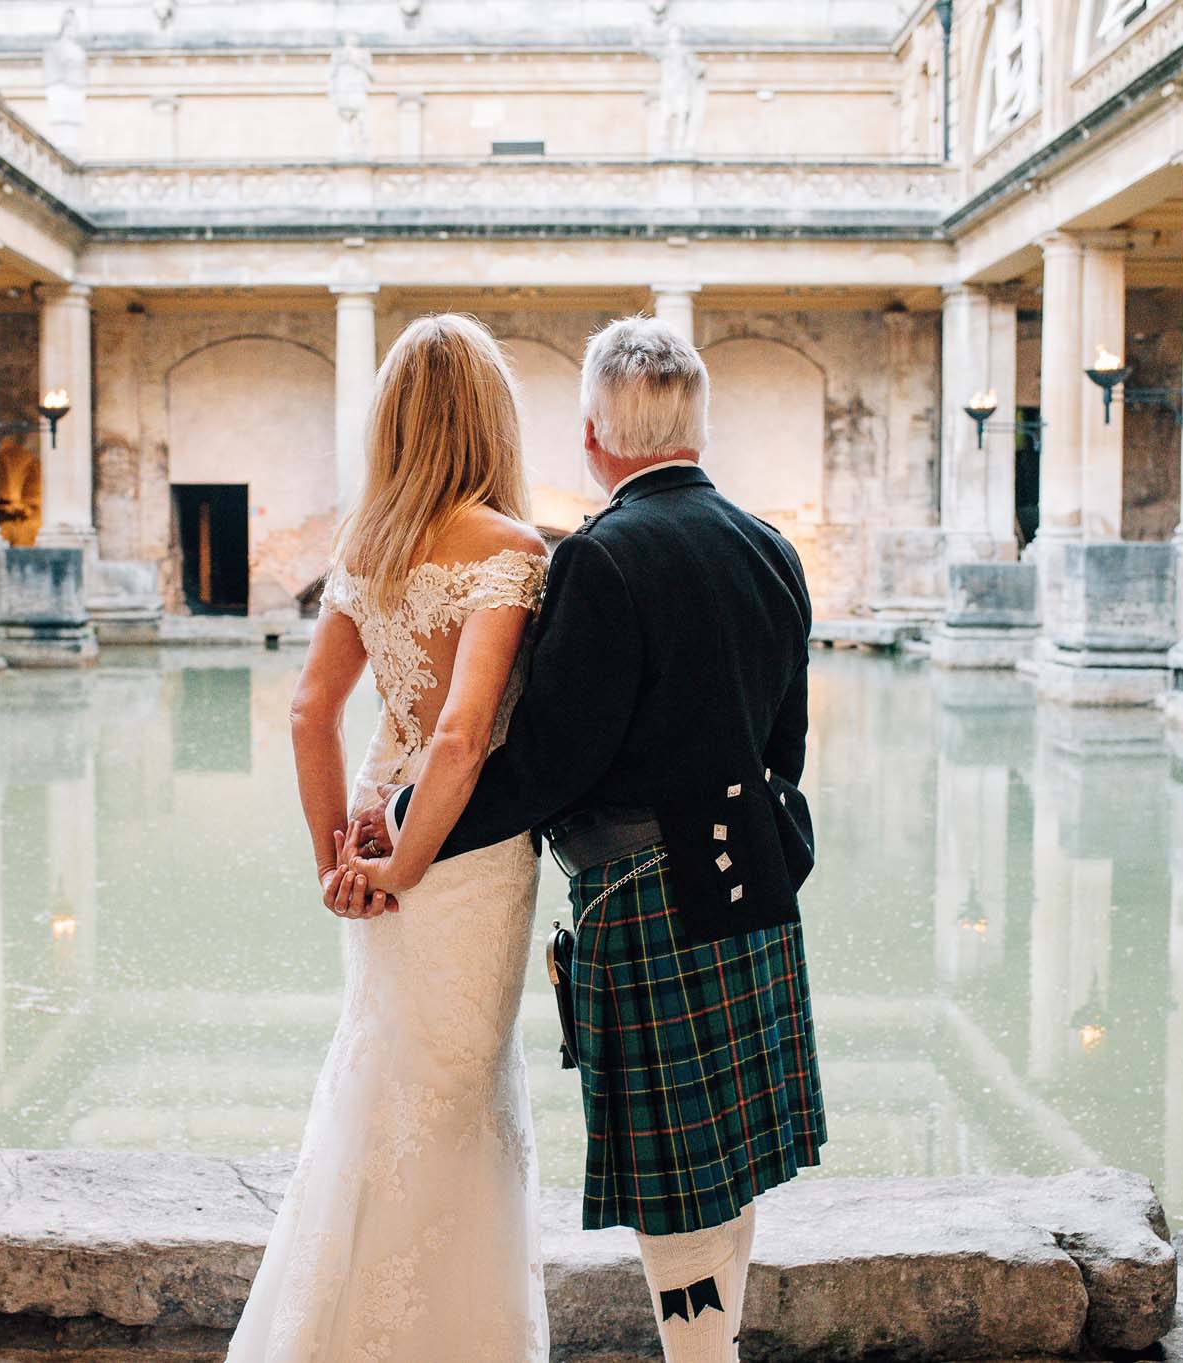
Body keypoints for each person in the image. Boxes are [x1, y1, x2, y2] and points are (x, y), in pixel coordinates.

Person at [341, 314, 826, 1363]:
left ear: (597, 435)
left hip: (646, 895)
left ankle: (701, 1360)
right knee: (730, 1159)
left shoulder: (601, 558)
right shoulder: (770, 547)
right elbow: (785, 743)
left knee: (676, 1179)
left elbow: (547, 762)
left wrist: (411, 825)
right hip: (755, 877)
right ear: (695, 424)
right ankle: (714, 1350)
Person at [225, 313, 552, 1362]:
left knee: (384, 1074)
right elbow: (463, 735)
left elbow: (308, 713)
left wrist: (340, 863)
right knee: (456, 1089)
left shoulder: (365, 548)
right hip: (458, 851)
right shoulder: (512, 550)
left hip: (376, 821)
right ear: (491, 419)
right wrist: (402, 865)